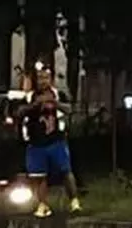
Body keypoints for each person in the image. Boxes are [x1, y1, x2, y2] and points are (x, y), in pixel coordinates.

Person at [19, 67, 81, 217]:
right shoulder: (29, 96)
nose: (43, 81)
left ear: (51, 79)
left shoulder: (58, 95)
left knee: (66, 171)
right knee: (38, 176)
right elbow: (19, 112)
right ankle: (42, 204)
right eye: (40, 78)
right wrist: (35, 105)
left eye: (46, 78)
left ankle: (74, 201)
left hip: (56, 140)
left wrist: (54, 103)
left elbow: (70, 109)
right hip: (36, 142)